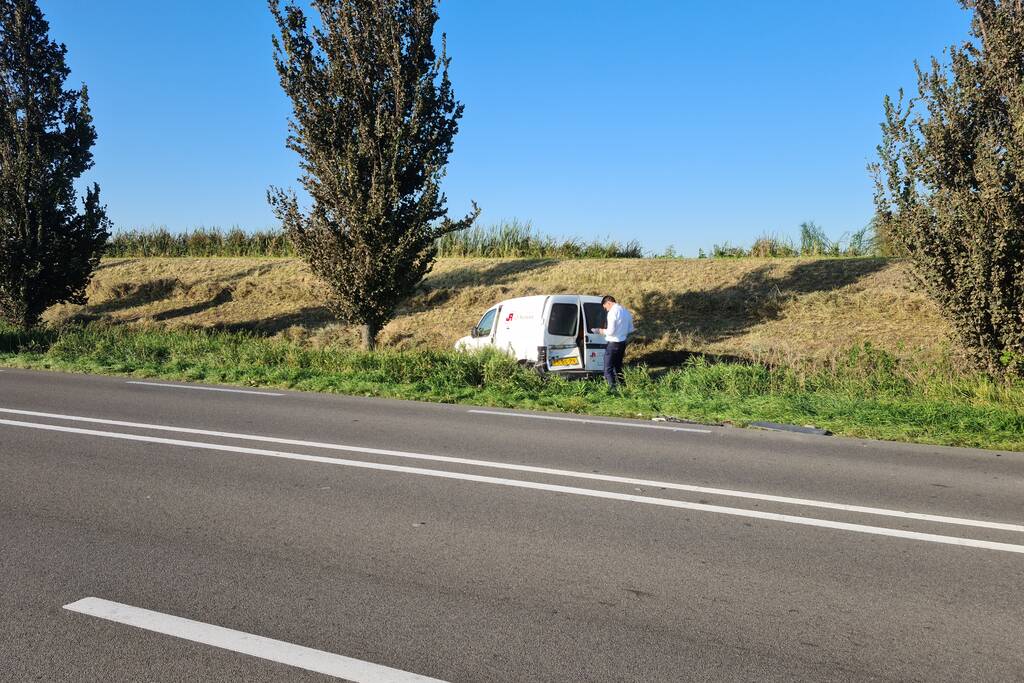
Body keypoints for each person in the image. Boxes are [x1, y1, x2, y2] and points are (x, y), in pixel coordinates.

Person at [591, 295, 634, 389]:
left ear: (609, 303)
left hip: (613, 344)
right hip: (622, 343)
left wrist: (599, 330)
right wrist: (621, 333)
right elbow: (631, 329)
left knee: (608, 368)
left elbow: (610, 331)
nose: (606, 310)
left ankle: (612, 390)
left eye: (606, 307)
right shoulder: (626, 311)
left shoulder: (612, 313)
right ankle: (623, 387)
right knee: (618, 367)